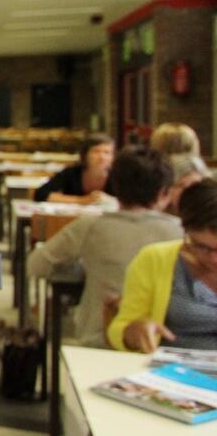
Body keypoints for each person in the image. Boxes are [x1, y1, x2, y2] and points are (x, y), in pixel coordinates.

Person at [27, 146, 182, 347]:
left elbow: (36, 265)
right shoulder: (181, 234)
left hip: (100, 337)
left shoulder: (90, 226)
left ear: (113, 185)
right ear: (165, 193)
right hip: (163, 341)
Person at [109, 178, 217, 352]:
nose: (214, 259)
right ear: (186, 232)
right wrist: (133, 332)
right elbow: (119, 328)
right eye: (202, 247)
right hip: (174, 364)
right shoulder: (155, 259)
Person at [33, 133, 116, 204]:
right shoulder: (71, 172)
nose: (102, 157)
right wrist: (81, 200)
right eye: (96, 151)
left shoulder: (117, 176)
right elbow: (40, 194)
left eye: (107, 152)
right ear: (85, 155)